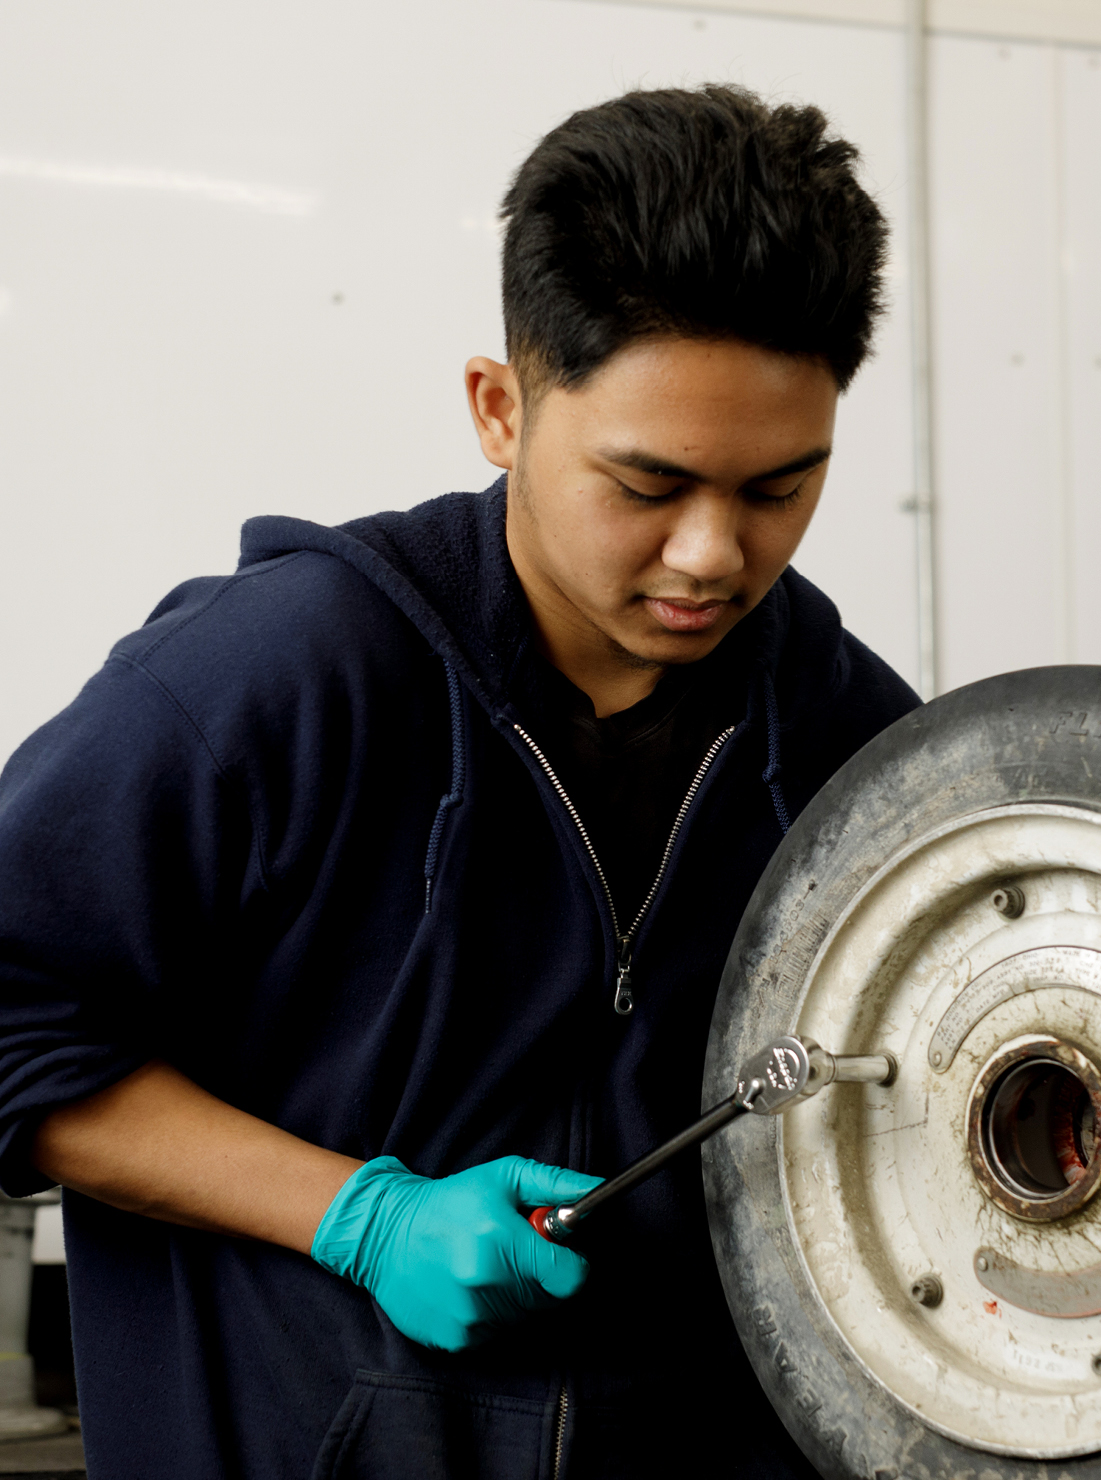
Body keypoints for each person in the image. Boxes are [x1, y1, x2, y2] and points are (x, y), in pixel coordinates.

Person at [0, 84, 917, 1478]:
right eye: (650, 484)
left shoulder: (839, 721)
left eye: (781, 488)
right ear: (501, 409)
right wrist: (355, 1215)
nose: (713, 557)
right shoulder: (278, 678)